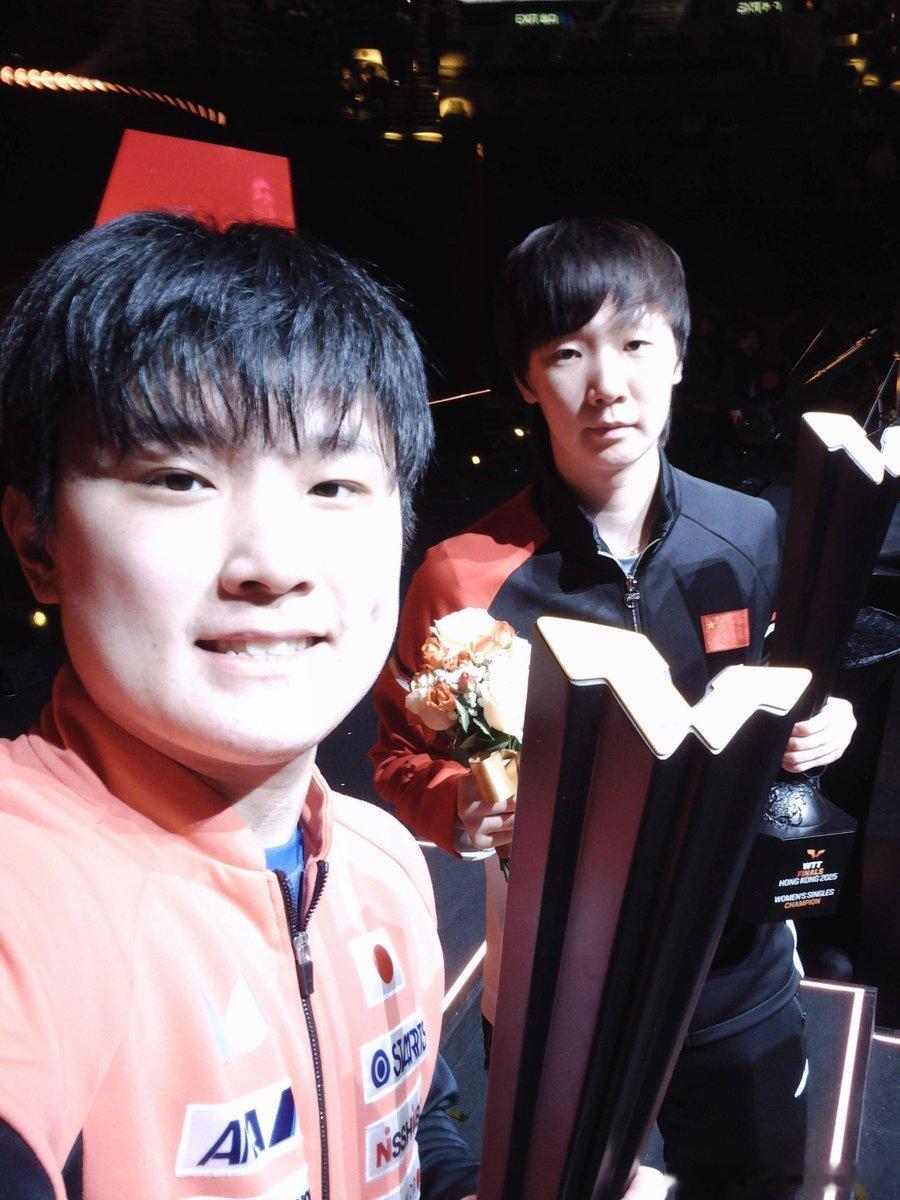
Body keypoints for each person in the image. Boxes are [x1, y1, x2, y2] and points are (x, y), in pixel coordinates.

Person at [0, 212, 668, 1200]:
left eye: (334, 484)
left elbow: (413, 1125)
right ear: (39, 542)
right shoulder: (28, 894)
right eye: (178, 478)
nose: (273, 564)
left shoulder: (381, 862)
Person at [371, 217, 857, 1199]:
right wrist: (458, 802)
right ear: (524, 378)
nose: (607, 385)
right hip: (559, 984)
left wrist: (821, 725)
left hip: (737, 965)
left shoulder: (749, 532)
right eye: (567, 353)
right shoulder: (463, 576)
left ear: (678, 355)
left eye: (635, 343)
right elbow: (397, 756)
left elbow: (785, 686)